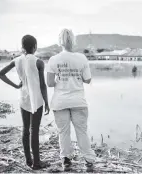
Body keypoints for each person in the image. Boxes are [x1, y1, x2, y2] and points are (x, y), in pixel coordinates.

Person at [0, 35, 50, 170]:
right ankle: (37, 163)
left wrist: (15, 86)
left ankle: (28, 161)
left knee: (26, 130)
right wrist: (47, 102)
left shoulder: (16, 60)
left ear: (22, 47)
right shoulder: (39, 62)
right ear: (35, 47)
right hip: (36, 99)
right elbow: (43, 85)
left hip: (23, 98)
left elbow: (0, 74)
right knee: (34, 130)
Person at [46, 29, 95, 172]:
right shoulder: (81, 58)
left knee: (63, 132)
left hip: (60, 102)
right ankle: (88, 161)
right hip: (78, 101)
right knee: (82, 132)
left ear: (59, 41)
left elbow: (49, 83)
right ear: (72, 41)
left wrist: (60, 79)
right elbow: (87, 79)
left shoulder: (53, 59)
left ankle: (66, 161)